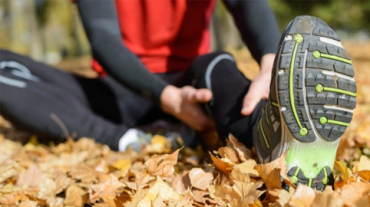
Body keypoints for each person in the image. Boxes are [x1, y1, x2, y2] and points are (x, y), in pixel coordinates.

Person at [0, 0, 356, 190]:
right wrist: (166, 96)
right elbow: (104, 38)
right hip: (121, 91)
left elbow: (249, 7)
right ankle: (128, 139)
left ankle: (273, 146)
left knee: (218, 64)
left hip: (196, 84)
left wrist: (268, 64)